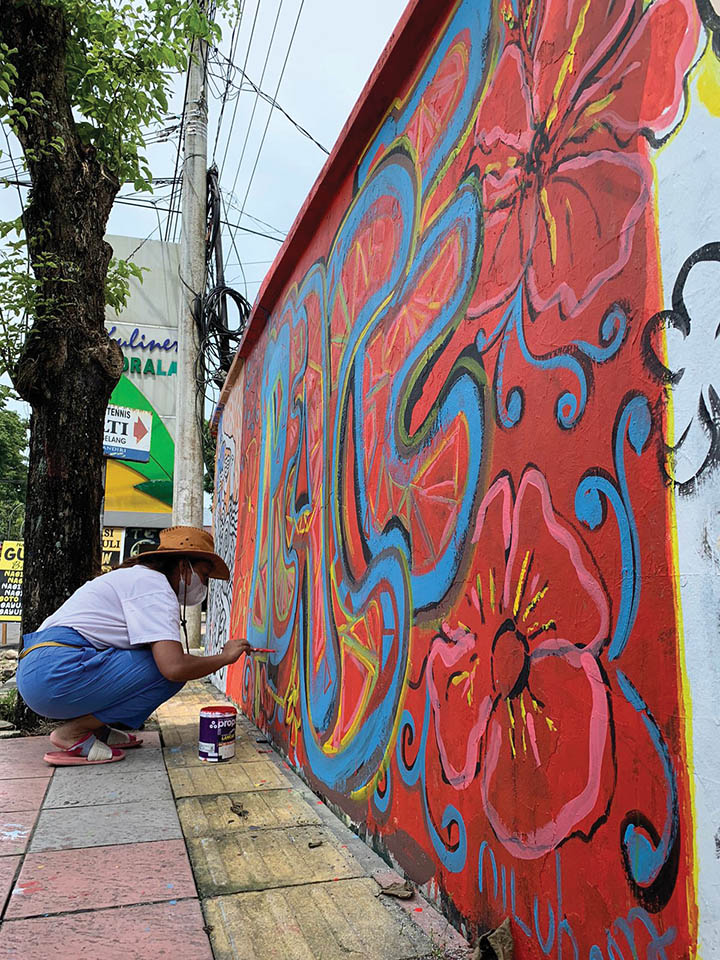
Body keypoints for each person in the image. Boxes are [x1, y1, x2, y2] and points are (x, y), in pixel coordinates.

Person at [16, 526, 251, 766]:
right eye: (203, 574)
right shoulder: (155, 587)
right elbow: (174, 667)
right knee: (169, 672)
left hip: (39, 671)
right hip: (55, 673)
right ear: (183, 566)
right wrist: (225, 657)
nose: (204, 584)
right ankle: (73, 733)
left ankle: (97, 731)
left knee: (156, 658)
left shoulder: (137, 579)